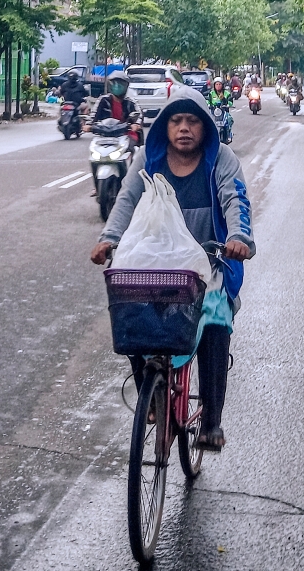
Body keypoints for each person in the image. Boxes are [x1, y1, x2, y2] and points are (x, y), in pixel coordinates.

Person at [90, 88, 255, 451]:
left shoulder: (221, 159)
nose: (184, 128)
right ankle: (150, 394)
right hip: (157, 261)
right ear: (165, 126)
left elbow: (235, 199)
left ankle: (211, 420)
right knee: (130, 311)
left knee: (214, 322)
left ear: (205, 127)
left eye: (192, 121)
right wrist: (108, 238)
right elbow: (127, 198)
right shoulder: (149, 159)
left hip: (209, 263)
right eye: (176, 121)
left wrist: (240, 236)